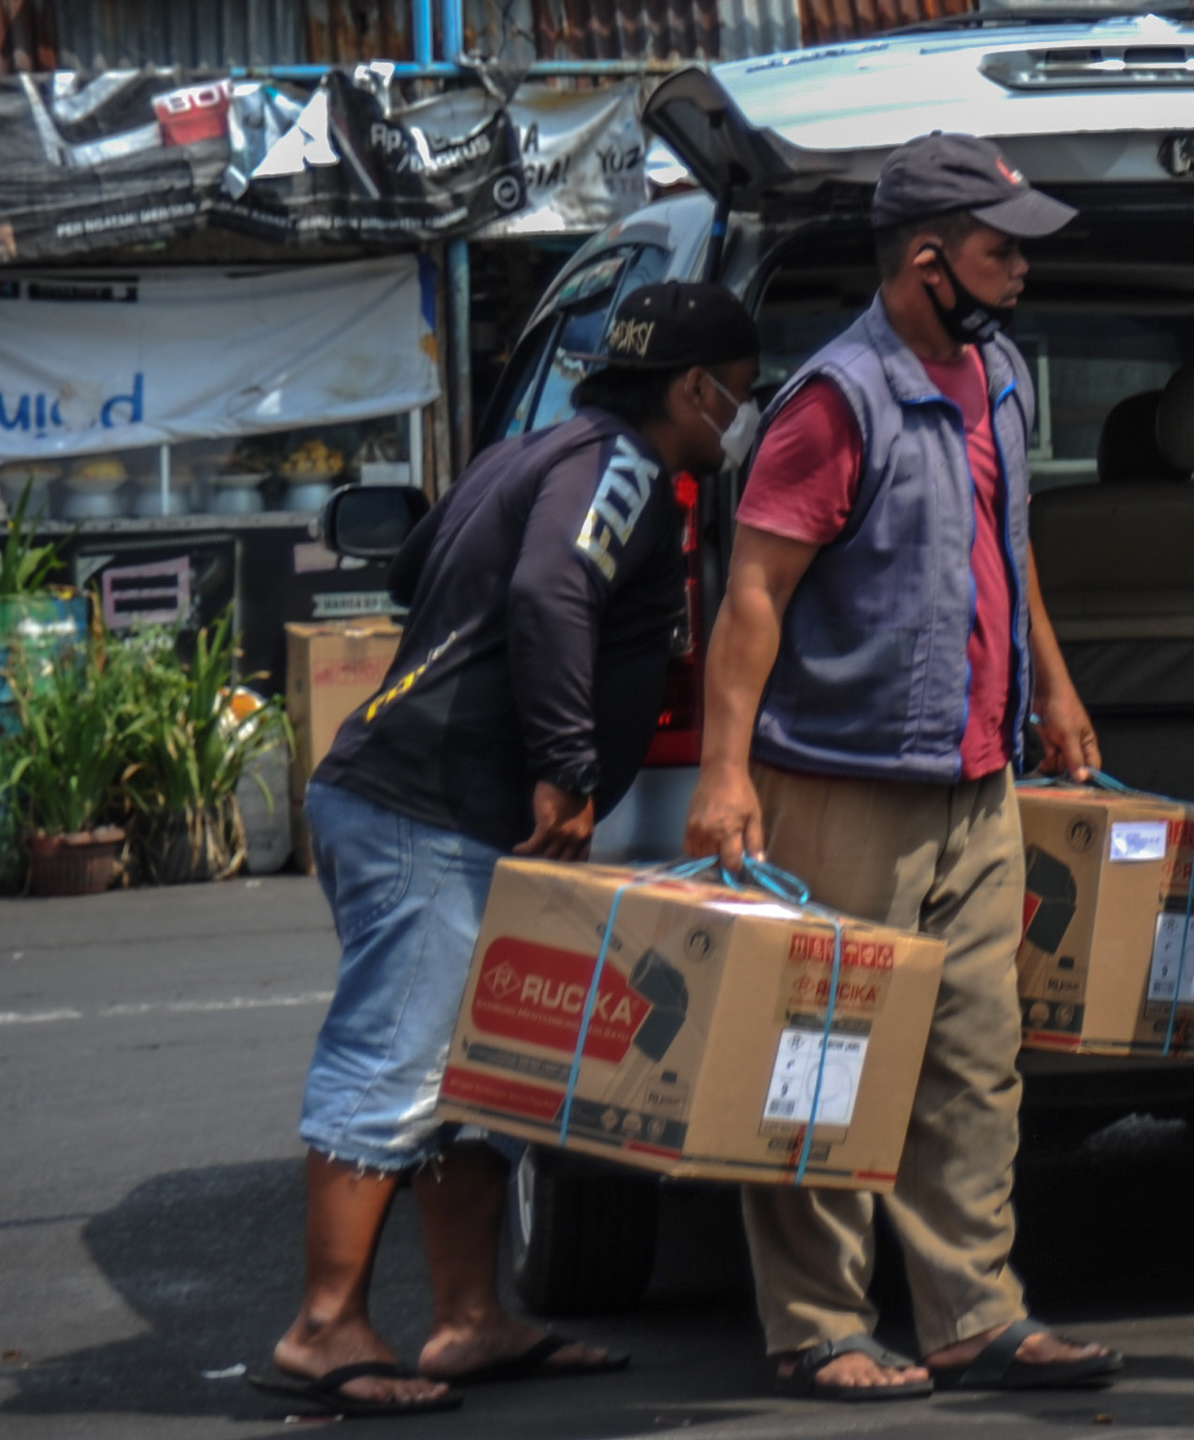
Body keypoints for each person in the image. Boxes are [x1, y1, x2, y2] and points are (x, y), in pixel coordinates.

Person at [269, 281, 764, 1417]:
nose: (741, 418)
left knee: (475, 1075)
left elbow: (413, 573)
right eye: (738, 396)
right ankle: (322, 1326)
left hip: (417, 799)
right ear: (693, 387)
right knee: (396, 1060)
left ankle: (468, 1320)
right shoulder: (628, 472)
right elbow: (551, 589)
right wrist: (568, 763)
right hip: (429, 809)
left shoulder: (527, 452)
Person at [682, 135, 1117, 1402]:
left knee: (975, 1060)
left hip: (974, 783)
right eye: (1001, 247)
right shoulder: (839, 398)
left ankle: (972, 1314)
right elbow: (754, 593)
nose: (1021, 268)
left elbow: (1007, 546)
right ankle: (816, 1323)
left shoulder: (1004, 373)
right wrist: (725, 774)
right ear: (930, 262)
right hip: (839, 781)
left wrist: (1057, 690)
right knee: (825, 1058)